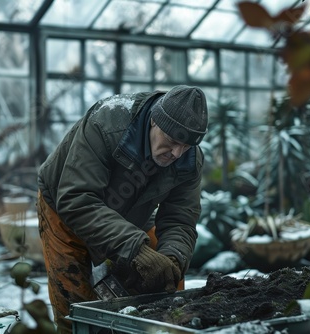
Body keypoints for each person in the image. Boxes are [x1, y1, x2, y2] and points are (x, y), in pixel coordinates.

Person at [36, 85, 209, 333]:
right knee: (74, 307)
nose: (177, 153)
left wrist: (172, 258)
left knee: (167, 281)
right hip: (65, 208)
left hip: (131, 213)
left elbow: (180, 219)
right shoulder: (106, 124)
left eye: (186, 146)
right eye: (171, 141)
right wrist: (134, 249)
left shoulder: (189, 159)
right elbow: (77, 199)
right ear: (153, 122)